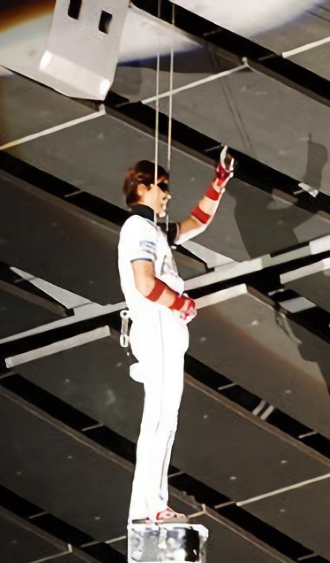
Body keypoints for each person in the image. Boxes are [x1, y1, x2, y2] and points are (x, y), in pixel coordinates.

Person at [118, 150, 234, 524]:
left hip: (163, 325)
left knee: (165, 418)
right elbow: (145, 283)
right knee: (160, 419)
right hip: (157, 323)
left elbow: (197, 222)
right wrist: (180, 302)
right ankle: (149, 508)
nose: (168, 194)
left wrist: (218, 184)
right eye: (162, 186)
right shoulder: (138, 229)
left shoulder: (152, 230)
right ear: (142, 188)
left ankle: (151, 506)